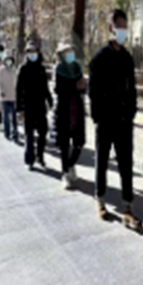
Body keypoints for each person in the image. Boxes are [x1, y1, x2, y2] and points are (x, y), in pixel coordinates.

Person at [89, 9, 141, 230]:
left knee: (126, 163)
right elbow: (93, 90)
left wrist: (132, 113)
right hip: (105, 119)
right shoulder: (100, 57)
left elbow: (132, 88)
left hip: (124, 120)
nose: (123, 31)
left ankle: (128, 205)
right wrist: (97, 117)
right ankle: (100, 199)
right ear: (111, 28)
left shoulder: (127, 57)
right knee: (102, 161)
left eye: (125, 27)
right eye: (120, 26)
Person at [54, 42, 86, 190]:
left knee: (79, 143)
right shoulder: (59, 69)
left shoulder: (77, 67)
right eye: (67, 51)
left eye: (71, 51)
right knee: (64, 145)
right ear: (62, 54)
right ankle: (65, 173)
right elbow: (58, 89)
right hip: (64, 110)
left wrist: (84, 86)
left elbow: (82, 87)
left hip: (77, 109)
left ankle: (71, 164)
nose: (70, 54)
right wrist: (75, 86)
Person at [16, 42, 53, 170]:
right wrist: (19, 109)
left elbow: (45, 87)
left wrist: (50, 101)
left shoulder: (41, 69)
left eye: (34, 51)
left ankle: (40, 156)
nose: (32, 54)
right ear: (27, 53)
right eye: (30, 52)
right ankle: (29, 160)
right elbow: (18, 90)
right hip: (28, 107)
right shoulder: (23, 69)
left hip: (40, 107)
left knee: (43, 132)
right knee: (29, 135)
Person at [0, 54, 18, 142]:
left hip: (13, 96)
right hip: (4, 96)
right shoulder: (1, 70)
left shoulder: (14, 70)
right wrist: (1, 91)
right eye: (7, 60)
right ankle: (7, 132)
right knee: (6, 116)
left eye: (10, 60)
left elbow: (17, 82)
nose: (9, 62)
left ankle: (15, 133)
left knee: (14, 116)